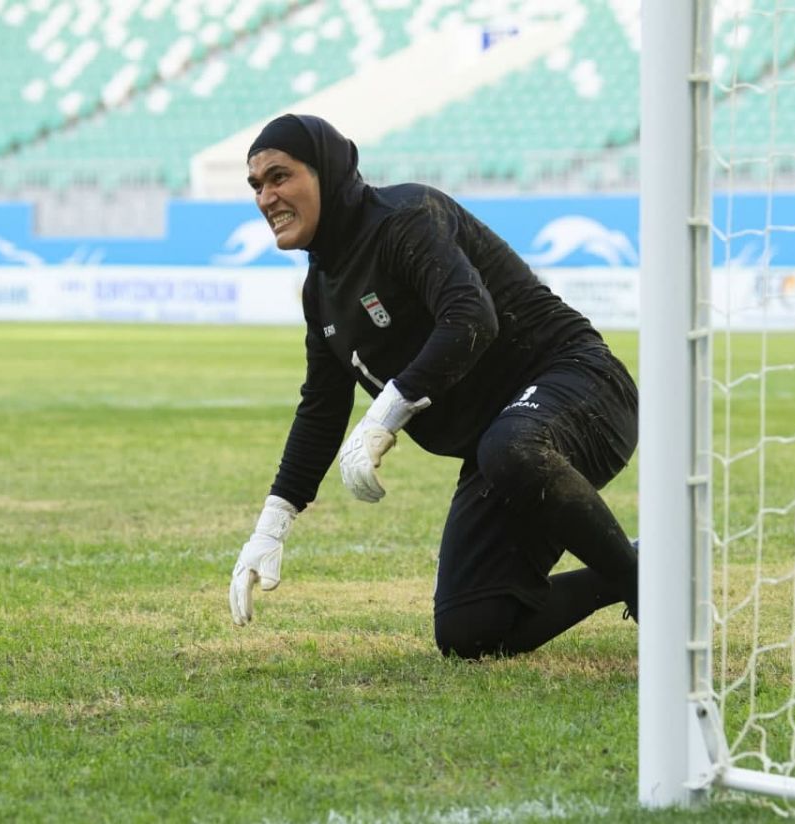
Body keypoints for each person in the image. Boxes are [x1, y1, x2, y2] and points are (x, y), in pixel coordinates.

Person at [228, 114, 639, 659]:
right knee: (470, 629)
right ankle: (639, 566)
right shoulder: (321, 291)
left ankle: (652, 594)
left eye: (279, 177)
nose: (266, 196)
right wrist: (271, 527)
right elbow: (322, 409)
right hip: (506, 448)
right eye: (256, 185)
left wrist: (383, 417)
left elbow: (471, 315)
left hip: (584, 387)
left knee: (509, 445)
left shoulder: (405, 217)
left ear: (326, 171)